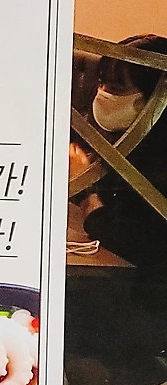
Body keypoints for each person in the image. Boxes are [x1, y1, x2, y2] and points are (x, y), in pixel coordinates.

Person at [71, 34, 167, 271]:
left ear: (156, 98)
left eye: (115, 88)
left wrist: (86, 196)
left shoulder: (157, 162)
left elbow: (145, 246)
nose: (102, 94)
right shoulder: (119, 143)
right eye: (101, 83)